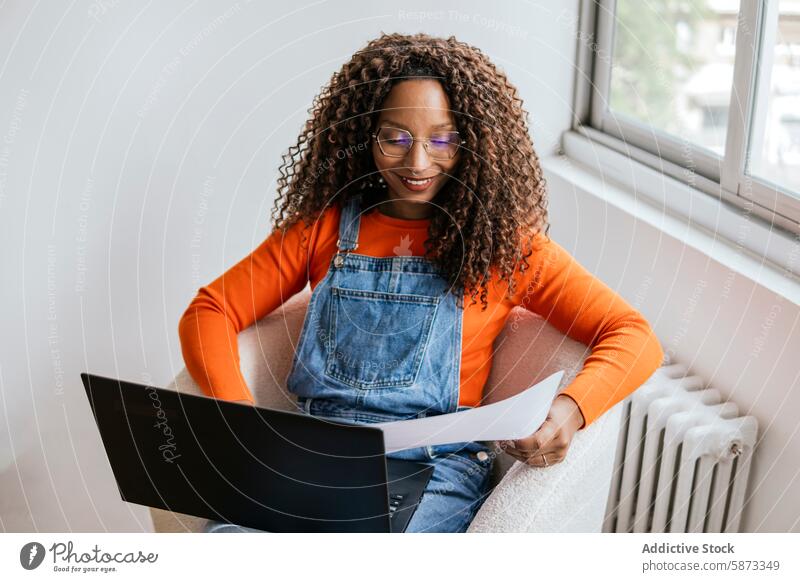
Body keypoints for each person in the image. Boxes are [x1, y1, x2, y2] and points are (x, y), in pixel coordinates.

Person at [178, 32, 664, 533]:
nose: (417, 162)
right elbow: (209, 311)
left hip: (431, 470)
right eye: (396, 137)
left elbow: (634, 335)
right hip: (312, 458)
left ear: (472, 143)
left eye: (442, 139)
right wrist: (240, 420)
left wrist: (570, 411)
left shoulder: (507, 249)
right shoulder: (320, 230)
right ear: (364, 136)